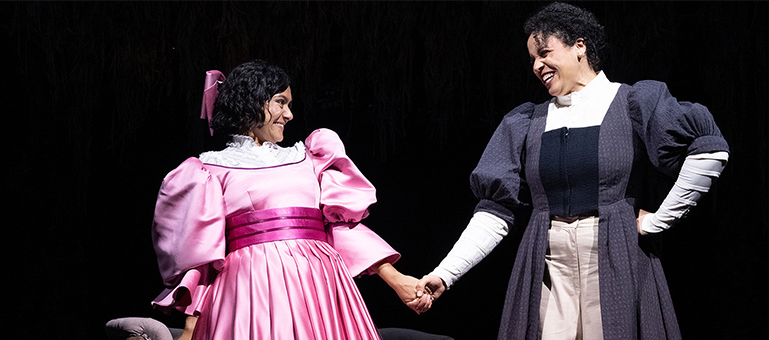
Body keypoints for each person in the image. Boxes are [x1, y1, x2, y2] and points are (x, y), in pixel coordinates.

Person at [416, 3, 730, 340]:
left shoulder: (633, 102)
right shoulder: (526, 122)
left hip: (617, 262)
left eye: (545, 52)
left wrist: (659, 221)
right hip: (548, 269)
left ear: (579, 46)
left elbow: (709, 149)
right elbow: (495, 211)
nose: (537, 66)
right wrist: (445, 274)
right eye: (533, 59)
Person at [150, 60, 431, 340]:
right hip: (252, 289)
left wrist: (397, 280)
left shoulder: (308, 158)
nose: (289, 114)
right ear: (252, 101)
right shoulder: (210, 169)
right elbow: (201, 254)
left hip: (319, 285)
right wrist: (190, 327)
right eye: (280, 102)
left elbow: (340, 229)